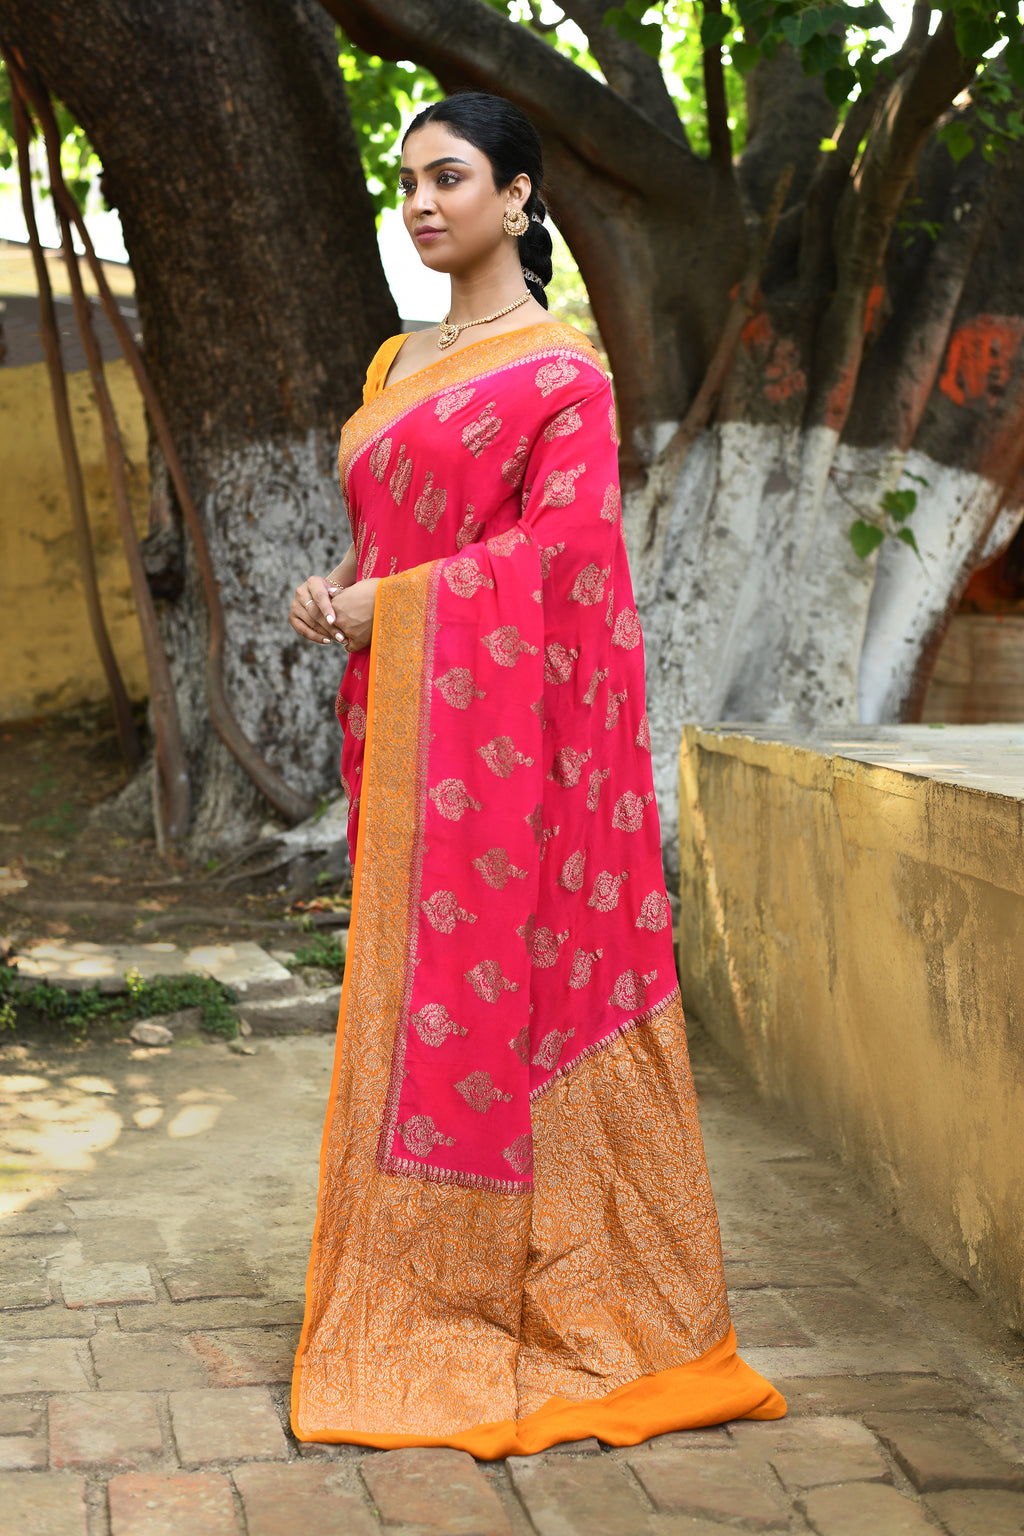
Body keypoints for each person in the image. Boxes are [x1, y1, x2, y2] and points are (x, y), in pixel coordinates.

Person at [287, 91, 785, 1456]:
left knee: (516, 991)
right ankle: (423, 1265)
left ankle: (549, 1284)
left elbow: (564, 562)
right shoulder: (398, 364)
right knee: (409, 993)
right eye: (408, 182)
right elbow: (395, 534)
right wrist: (340, 588)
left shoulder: (563, 376)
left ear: (519, 199)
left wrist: (385, 607)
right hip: (405, 736)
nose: (421, 202)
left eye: (450, 178)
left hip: (511, 753)